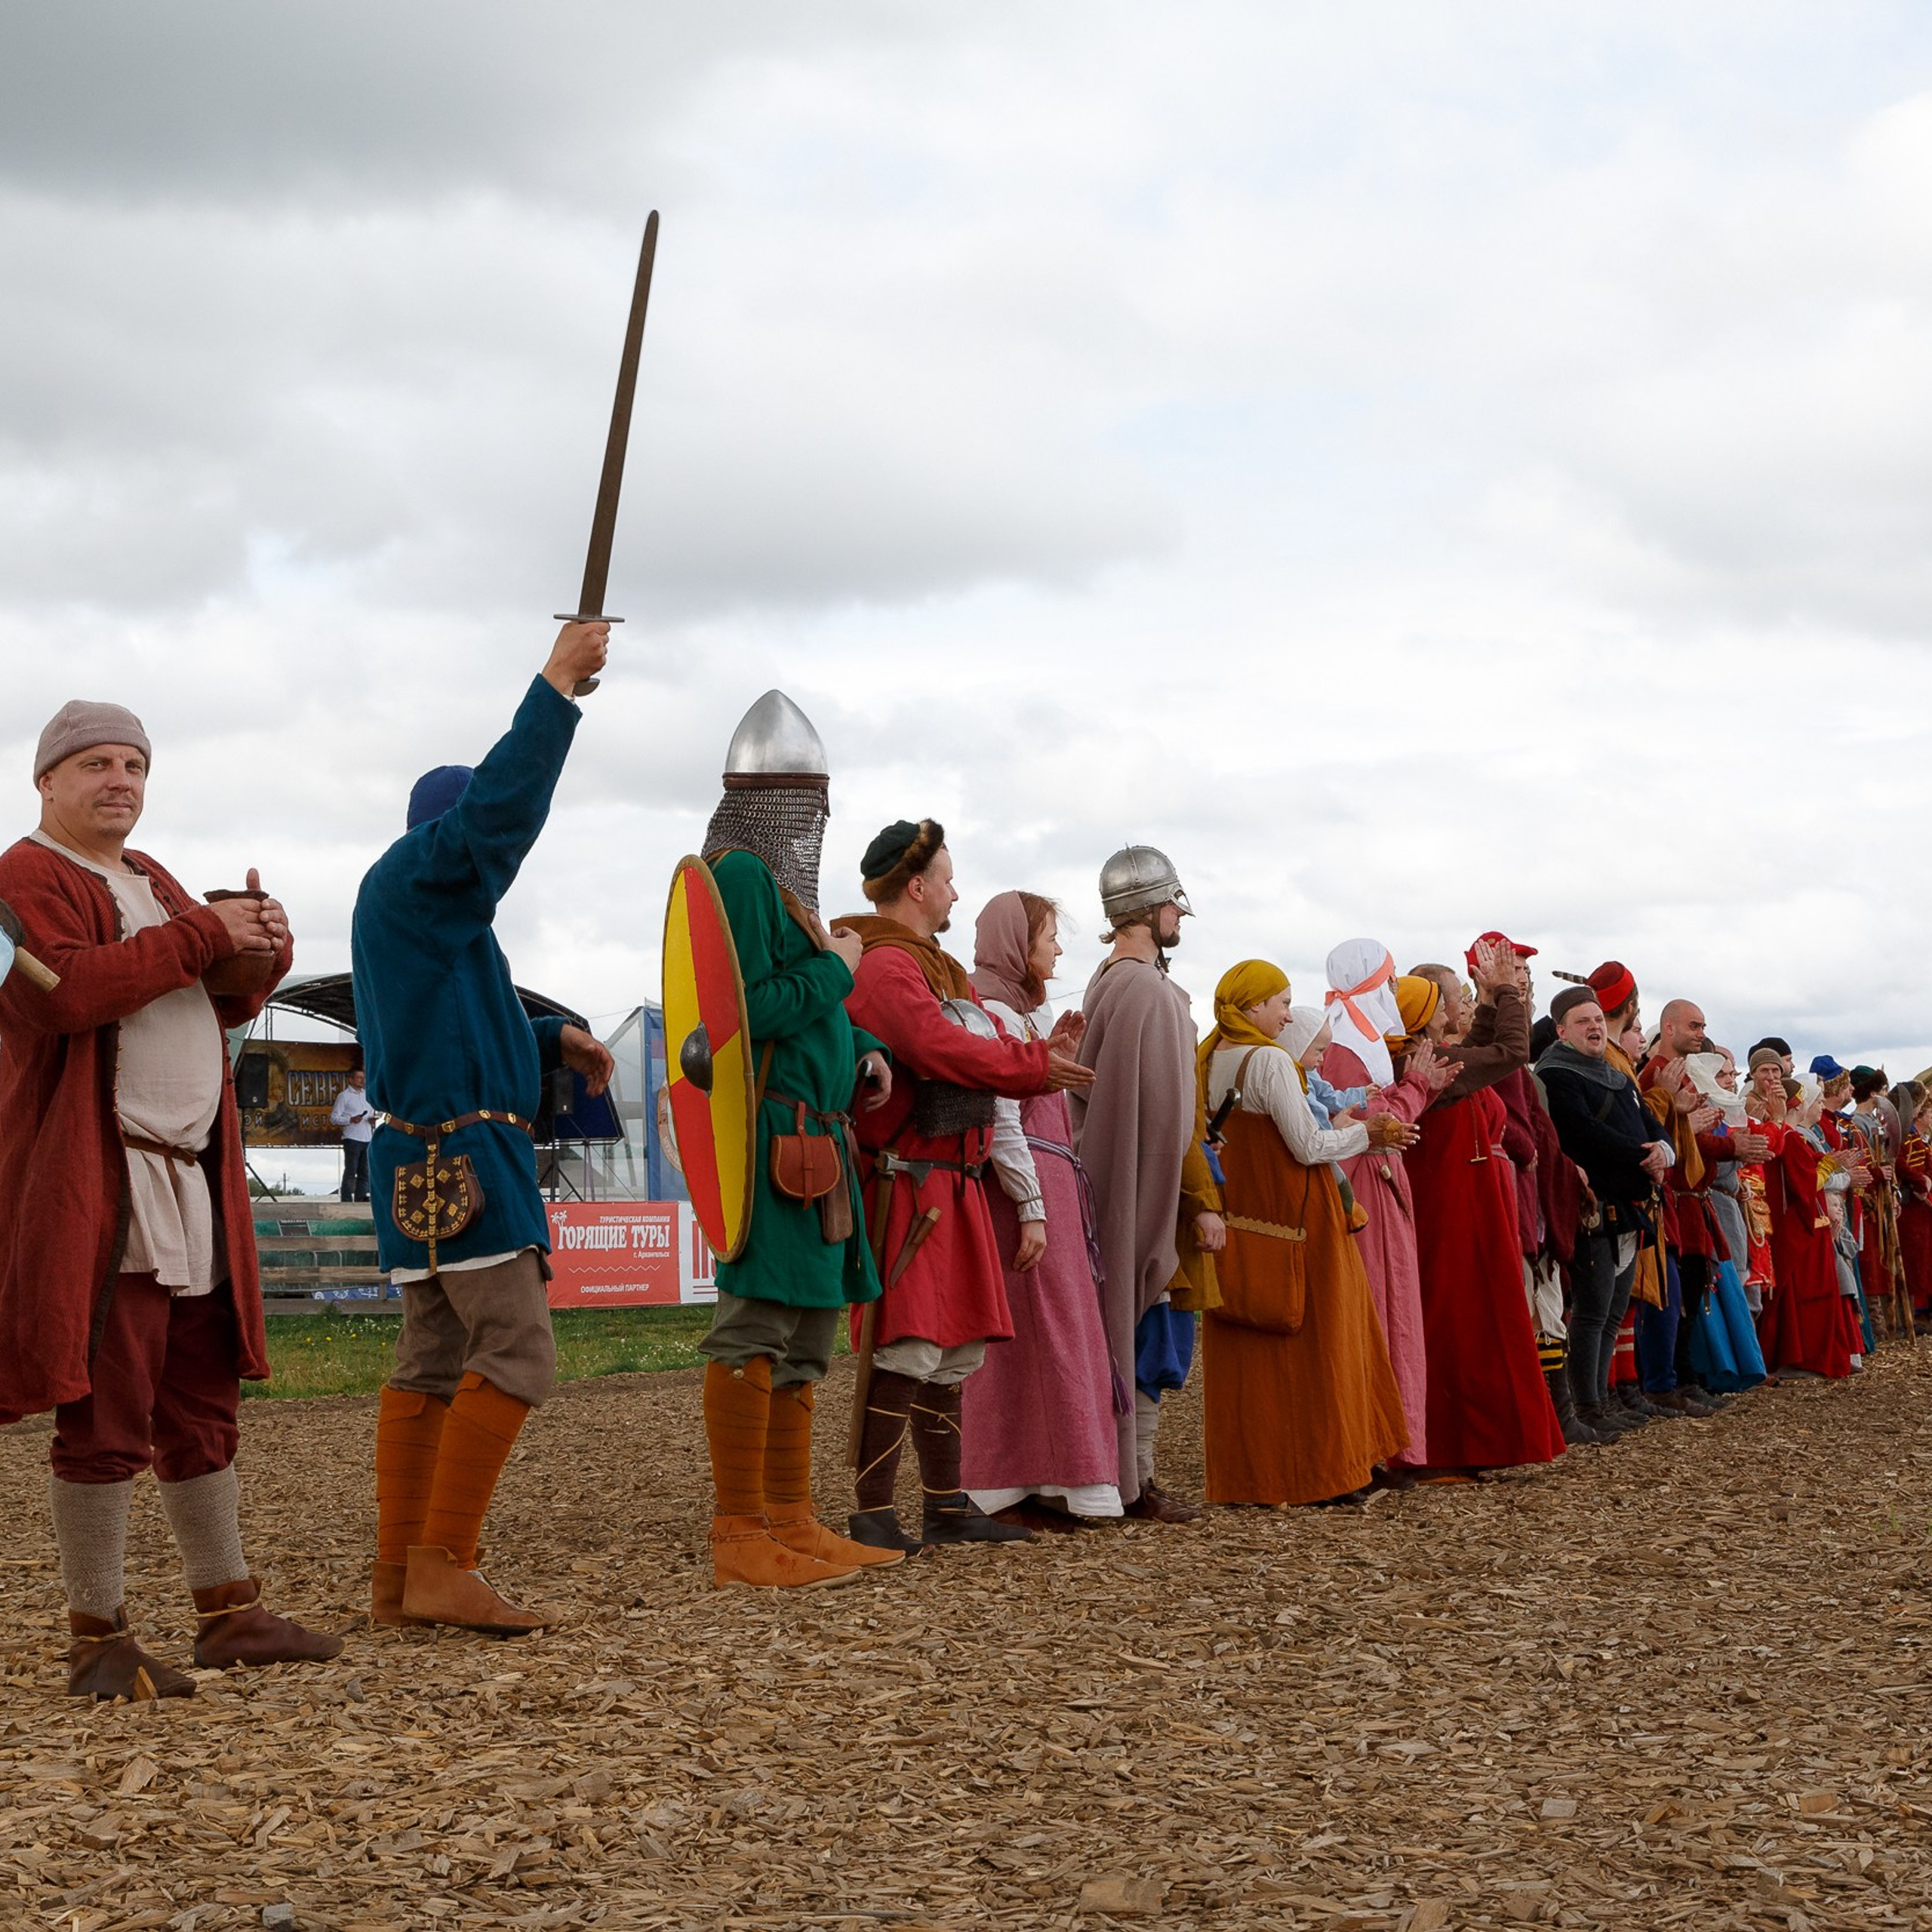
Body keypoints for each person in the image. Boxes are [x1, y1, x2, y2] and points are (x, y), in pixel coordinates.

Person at [0, 700, 340, 1699]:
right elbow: (59, 993)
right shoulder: (21, 876)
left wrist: (259, 953)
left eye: (135, 766)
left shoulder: (151, 879)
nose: (120, 781)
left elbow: (202, 992)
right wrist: (202, 934)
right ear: (47, 781)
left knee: (199, 1396)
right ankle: (95, 1635)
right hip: (101, 1180)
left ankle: (228, 1610)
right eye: (96, 764)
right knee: (108, 1403)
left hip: (187, 1172)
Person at [352, 623, 617, 1635]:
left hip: (419, 1153)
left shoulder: (432, 924)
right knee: (515, 1350)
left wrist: (554, 1037)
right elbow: (498, 814)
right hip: (464, 1157)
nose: (493, 864)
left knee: (430, 1359)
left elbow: (453, 1024)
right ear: (444, 839)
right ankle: (444, 1564)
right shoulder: (423, 880)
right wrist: (554, 689)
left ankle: (399, 1581)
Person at [694, 692, 903, 1589]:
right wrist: (834, 969)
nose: (815, 820)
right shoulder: (740, 876)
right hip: (771, 1135)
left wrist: (863, 1052)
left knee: (811, 1332)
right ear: (776, 800)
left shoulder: (788, 893)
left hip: (820, 1138)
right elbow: (741, 1016)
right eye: (807, 803)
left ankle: (792, 1518)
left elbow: (812, 1019)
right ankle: (739, 1532)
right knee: (757, 1326)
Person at [838, 821, 1090, 1554]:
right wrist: (1029, 1068)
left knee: (950, 1352)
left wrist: (1033, 1054)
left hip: (951, 1186)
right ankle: (873, 1514)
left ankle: (945, 1504)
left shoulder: (926, 967)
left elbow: (964, 1041)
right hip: (911, 1189)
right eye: (946, 879)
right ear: (916, 887)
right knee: (906, 1346)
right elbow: (937, 1046)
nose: (954, 891)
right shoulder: (886, 967)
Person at [1199, 968, 1413, 1506]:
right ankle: (1327, 1473)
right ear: (1250, 1007)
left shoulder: (1208, 1059)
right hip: (1303, 1217)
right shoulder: (1270, 1060)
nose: (1289, 1015)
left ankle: (1253, 1480)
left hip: (1245, 1221)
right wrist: (1370, 1132)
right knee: (1325, 1347)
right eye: (1280, 1003)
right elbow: (1309, 1144)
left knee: (1252, 1357)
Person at [961, 891, 1124, 1530]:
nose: (1057, 949)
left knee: (1050, 1333)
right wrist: (1031, 1205)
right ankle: (1025, 1479)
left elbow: (1023, 1095)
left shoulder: (1019, 1013)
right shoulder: (992, 1010)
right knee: (1036, 1334)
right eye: (1048, 936)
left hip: (1045, 1182)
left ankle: (1042, 1475)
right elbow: (1003, 1114)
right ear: (1016, 943)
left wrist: (1045, 1056)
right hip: (1021, 1189)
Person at [1071, 845, 1226, 1522]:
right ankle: (1129, 1485)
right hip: (1138, 1186)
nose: (1178, 919)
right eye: (1173, 907)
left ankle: (1130, 1481)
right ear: (1152, 909)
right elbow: (1163, 1115)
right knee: (1140, 1333)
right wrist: (1183, 1199)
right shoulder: (1141, 988)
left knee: (1137, 1334)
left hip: (1131, 1181)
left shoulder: (1114, 981)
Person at [1401, 942, 1565, 1475]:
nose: (1464, 1003)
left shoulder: (1436, 1056)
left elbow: (1482, 1045)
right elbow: (1511, 1051)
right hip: (1447, 1210)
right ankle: (1450, 1445)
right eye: (1455, 996)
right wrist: (1504, 993)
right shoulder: (1424, 1062)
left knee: (1479, 1323)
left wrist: (1498, 999)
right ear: (1429, 1010)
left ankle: (1476, 1442)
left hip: (1469, 1205)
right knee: (1456, 1324)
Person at [1321, 942, 1451, 1470]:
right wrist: (1419, 1085)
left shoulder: (1363, 1043)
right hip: (1366, 1186)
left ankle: (1391, 1444)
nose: (1396, 992)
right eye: (1390, 981)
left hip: (1380, 1183)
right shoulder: (1346, 1049)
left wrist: (1424, 1088)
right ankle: (1373, 1448)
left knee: (1392, 1307)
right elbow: (1371, 1128)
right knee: (1378, 1309)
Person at [1535, 988, 1675, 1436]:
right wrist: (1644, 1155)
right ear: (1561, 1031)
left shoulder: (1614, 1073)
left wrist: (1664, 1153)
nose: (1595, 1027)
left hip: (1629, 1207)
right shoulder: (1558, 1074)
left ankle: (1602, 1401)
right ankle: (1588, 1408)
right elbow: (1583, 1133)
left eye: (1597, 1019)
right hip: (1593, 1210)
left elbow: (1651, 1125)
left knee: (1612, 1312)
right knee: (1592, 1314)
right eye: (1582, 1021)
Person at [332, 1066, 377, 1203]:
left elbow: (370, 1115)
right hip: (352, 1138)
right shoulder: (344, 1096)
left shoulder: (367, 1096)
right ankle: (346, 1201)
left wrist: (371, 1119)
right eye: (359, 1078)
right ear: (350, 1079)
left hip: (367, 1137)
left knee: (365, 1173)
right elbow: (334, 1118)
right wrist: (351, 1119)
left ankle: (360, 1200)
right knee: (351, 1171)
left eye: (363, 1078)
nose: (362, 1080)